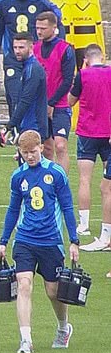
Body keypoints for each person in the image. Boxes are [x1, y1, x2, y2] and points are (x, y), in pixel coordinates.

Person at [0, 130, 80, 353]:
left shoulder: (56, 173)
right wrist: (4, 241)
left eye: (33, 152)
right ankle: (26, 339)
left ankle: (63, 327)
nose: (29, 156)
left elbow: (67, 207)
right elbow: (13, 210)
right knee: (24, 285)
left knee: (53, 291)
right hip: (25, 240)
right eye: (25, 153)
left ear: (41, 148)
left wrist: (74, 240)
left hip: (51, 241)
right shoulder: (18, 177)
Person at [68, 43, 111, 249]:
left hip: (87, 131)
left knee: (85, 179)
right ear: (102, 57)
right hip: (108, 132)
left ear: (85, 59)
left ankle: (84, 225)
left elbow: (70, 101)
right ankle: (107, 226)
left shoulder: (82, 76)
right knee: (108, 184)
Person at [0, 0, 64, 77]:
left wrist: (58, 45)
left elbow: (57, 17)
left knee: (35, 88)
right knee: (13, 90)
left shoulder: (38, 0)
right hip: (13, 55)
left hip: (35, 55)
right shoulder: (4, 2)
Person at [33, 12, 76, 171]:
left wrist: (51, 103)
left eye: (43, 28)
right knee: (47, 148)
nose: (39, 31)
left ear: (54, 27)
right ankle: (49, 182)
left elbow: (67, 81)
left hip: (60, 105)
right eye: (37, 28)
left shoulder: (65, 49)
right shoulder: (35, 48)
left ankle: (62, 183)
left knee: (60, 145)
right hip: (40, 105)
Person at [4, 33, 48, 146]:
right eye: (15, 47)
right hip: (28, 124)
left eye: (21, 47)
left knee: (31, 161)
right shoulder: (26, 67)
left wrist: (10, 125)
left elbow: (26, 100)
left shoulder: (33, 69)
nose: (17, 51)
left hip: (33, 125)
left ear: (31, 47)